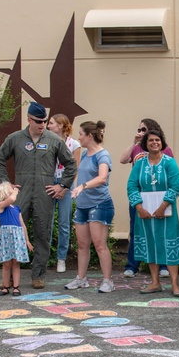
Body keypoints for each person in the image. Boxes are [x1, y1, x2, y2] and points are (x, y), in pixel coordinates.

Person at [0, 101, 77, 289]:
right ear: (29, 119)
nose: (42, 125)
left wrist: (62, 185)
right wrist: (6, 184)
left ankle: (38, 275)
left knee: (42, 234)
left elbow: (71, 164)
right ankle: (10, 279)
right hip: (20, 194)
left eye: (45, 121)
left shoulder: (54, 140)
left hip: (44, 193)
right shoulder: (15, 139)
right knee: (13, 233)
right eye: (38, 121)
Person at [126, 129, 179, 297]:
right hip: (145, 214)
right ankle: (155, 283)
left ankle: (175, 284)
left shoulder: (169, 163)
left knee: (169, 244)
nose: (154, 143)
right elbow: (131, 186)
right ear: (145, 144)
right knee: (150, 244)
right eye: (151, 140)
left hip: (166, 214)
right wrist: (139, 208)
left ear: (162, 143)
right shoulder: (139, 164)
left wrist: (162, 206)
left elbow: (176, 185)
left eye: (158, 140)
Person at [120, 118, 176, 279]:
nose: (141, 133)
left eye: (144, 130)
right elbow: (123, 160)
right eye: (139, 130)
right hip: (139, 198)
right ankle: (132, 265)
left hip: (160, 198)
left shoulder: (165, 150)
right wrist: (134, 142)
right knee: (136, 231)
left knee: (161, 231)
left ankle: (163, 265)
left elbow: (172, 176)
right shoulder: (137, 149)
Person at [64, 120, 116, 293]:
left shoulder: (103, 155)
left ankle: (108, 281)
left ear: (89, 136)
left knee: (100, 245)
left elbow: (102, 177)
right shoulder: (85, 154)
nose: (78, 137)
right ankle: (81, 279)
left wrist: (82, 186)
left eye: (80, 134)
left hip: (100, 204)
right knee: (82, 244)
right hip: (82, 205)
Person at [47, 113, 80, 273]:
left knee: (64, 224)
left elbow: (75, 169)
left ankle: (61, 259)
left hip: (66, 185)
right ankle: (44, 257)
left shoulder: (74, 144)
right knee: (46, 222)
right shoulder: (46, 141)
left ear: (60, 125)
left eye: (51, 123)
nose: (48, 126)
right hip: (49, 184)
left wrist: (64, 187)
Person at [0, 181, 32, 297]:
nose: (13, 189)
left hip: (17, 236)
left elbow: (23, 225)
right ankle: (5, 286)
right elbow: (11, 199)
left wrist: (27, 240)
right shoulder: (0, 205)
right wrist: (14, 191)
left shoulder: (16, 209)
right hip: (6, 237)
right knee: (6, 264)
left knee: (16, 263)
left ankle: (16, 287)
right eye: (10, 188)